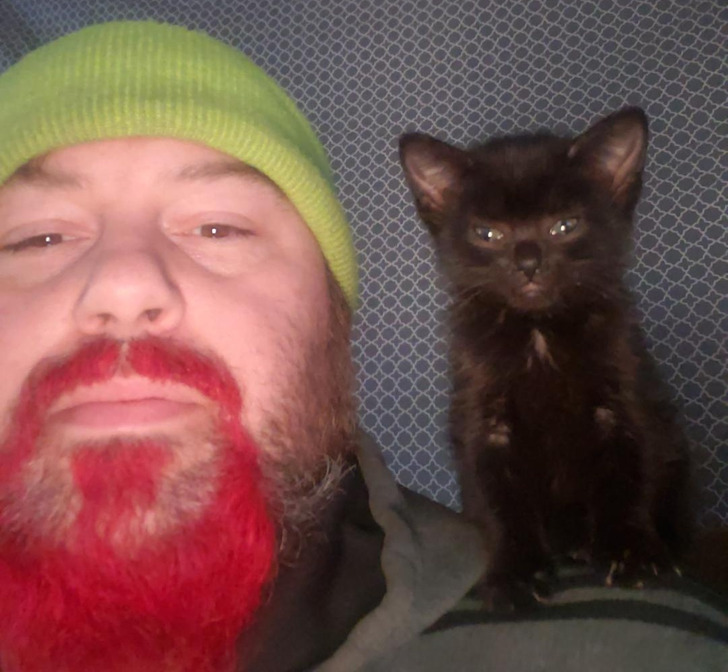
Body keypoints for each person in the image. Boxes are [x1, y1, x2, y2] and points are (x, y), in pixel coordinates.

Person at [0, 20, 724, 672]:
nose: (122, 286)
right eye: (39, 237)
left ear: (338, 315)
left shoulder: (633, 649)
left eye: (218, 227)